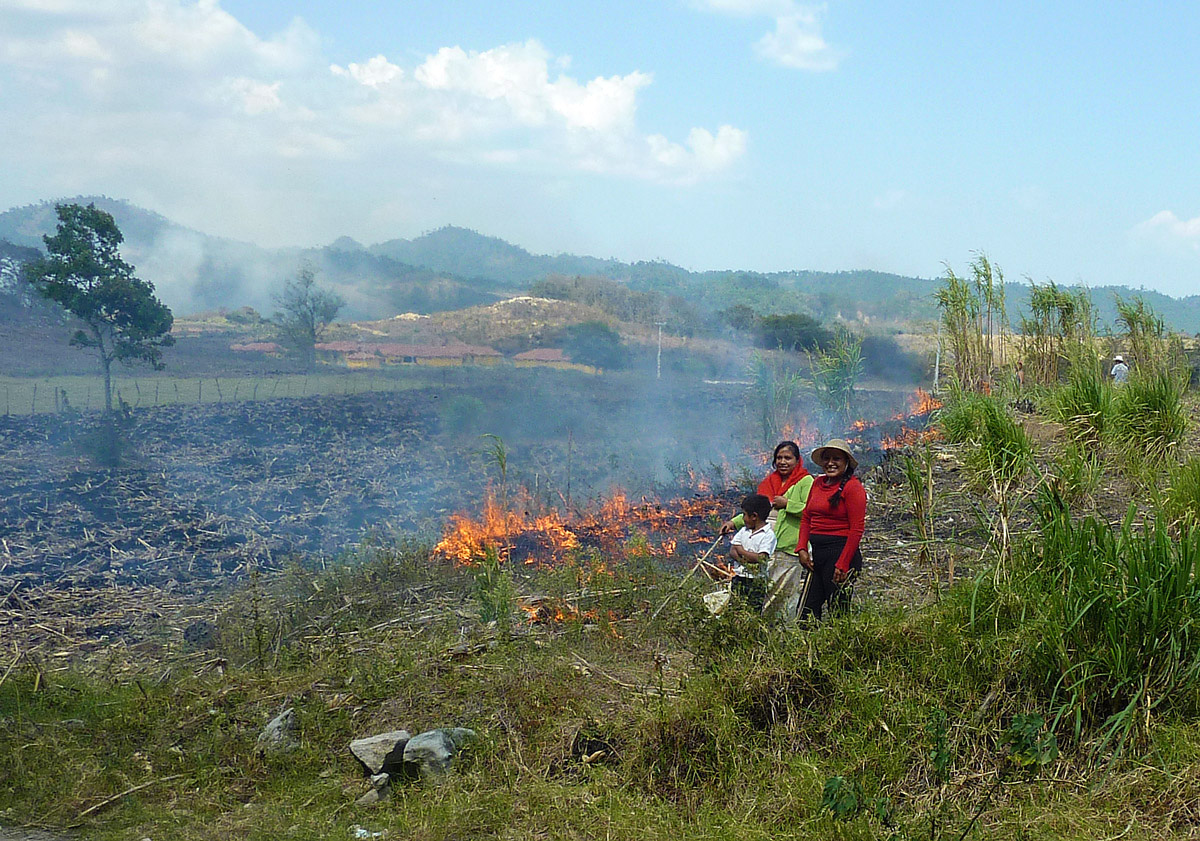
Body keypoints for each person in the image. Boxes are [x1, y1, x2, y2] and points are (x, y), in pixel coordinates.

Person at [721, 441, 814, 621]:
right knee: (765, 594)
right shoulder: (770, 483)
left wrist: (788, 504)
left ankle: (783, 635)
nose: (782, 462)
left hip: (788, 548)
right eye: (779, 458)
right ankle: (763, 633)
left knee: (784, 595)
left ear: (797, 460)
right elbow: (757, 511)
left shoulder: (805, 481)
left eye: (788, 458)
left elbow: (812, 511)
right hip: (765, 547)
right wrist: (734, 522)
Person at [797, 438, 866, 620]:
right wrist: (802, 548)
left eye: (836, 459)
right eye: (827, 459)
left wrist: (843, 564)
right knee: (807, 611)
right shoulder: (817, 483)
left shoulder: (853, 488)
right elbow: (806, 517)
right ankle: (810, 648)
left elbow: (856, 529)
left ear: (846, 463)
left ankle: (843, 647)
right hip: (818, 555)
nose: (830, 463)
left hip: (840, 554)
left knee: (838, 610)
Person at [724, 493, 776, 610]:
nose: (742, 518)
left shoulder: (768, 535)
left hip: (756, 582)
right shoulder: (744, 531)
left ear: (754, 516)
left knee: (752, 611)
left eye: (744, 515)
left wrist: (741, 550)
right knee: (735, 609)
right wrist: (745, 561)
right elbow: (733, 551)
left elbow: (760, 558)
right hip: (739, 578)